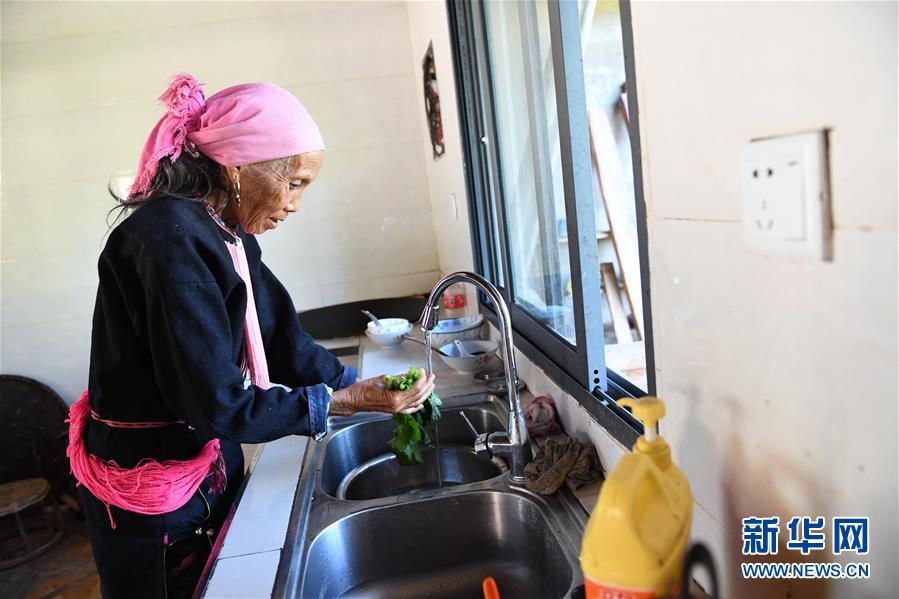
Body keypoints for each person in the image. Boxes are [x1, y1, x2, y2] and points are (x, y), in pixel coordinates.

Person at [66, 74, 435, 598]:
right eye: (295, 182)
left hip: (205, 460)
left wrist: (357, 384)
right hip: (151, 486)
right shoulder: (169, 239)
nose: (295, 205)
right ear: (239, 165)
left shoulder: (223, 231)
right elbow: (213, 401)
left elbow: (280, 337)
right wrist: (340, 401)